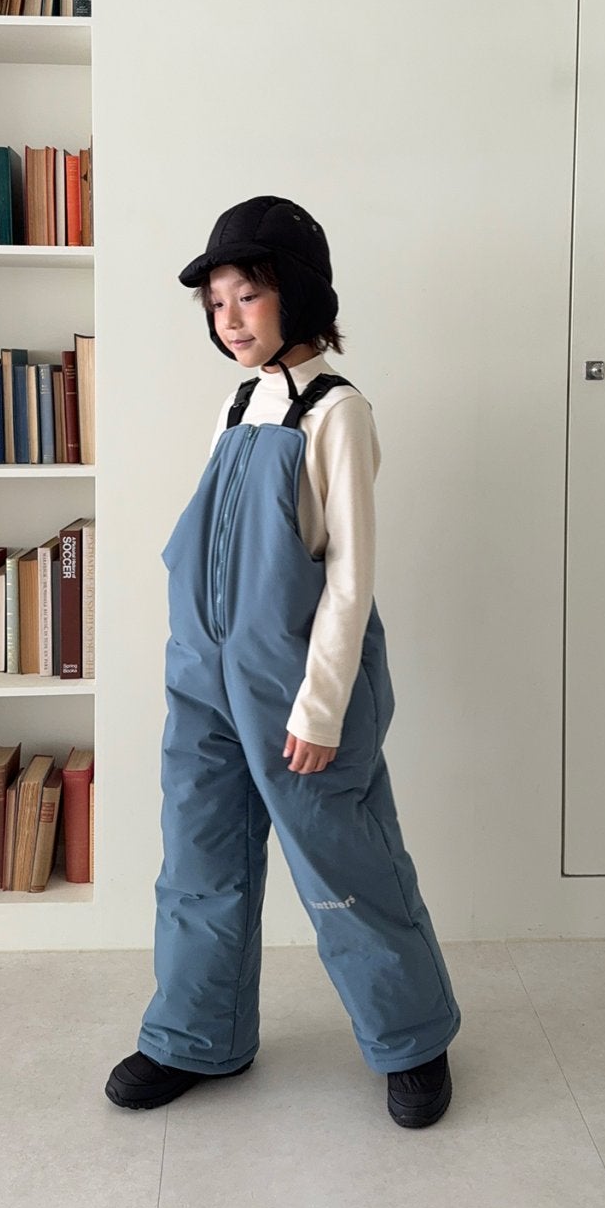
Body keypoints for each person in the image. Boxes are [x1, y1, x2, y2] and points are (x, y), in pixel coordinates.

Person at [105, 195, 461, 1128]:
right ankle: (196, 1034)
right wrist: (192, 657)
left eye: (248, 295)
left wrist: (321, 704)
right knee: (199, 855)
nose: (229, 318)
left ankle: (412, 1037)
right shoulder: (238, 404)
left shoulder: (338, 411)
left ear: (297, 295)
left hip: (298, 681)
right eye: (216, 301)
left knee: (345, 863)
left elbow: (350, 575)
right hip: (206, 675)